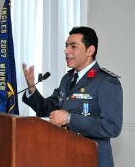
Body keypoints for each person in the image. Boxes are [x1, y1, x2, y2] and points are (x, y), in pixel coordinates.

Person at [22, 26, 123, 167]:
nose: (66, 51)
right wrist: (32, 88)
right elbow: (49, 109)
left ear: (90, 50)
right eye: (66, 46)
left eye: (73, 46)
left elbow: (112, 127)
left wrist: (69, 119)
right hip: (66, 156)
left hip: (93, 160)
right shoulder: (67, 79)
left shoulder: (106, 81)